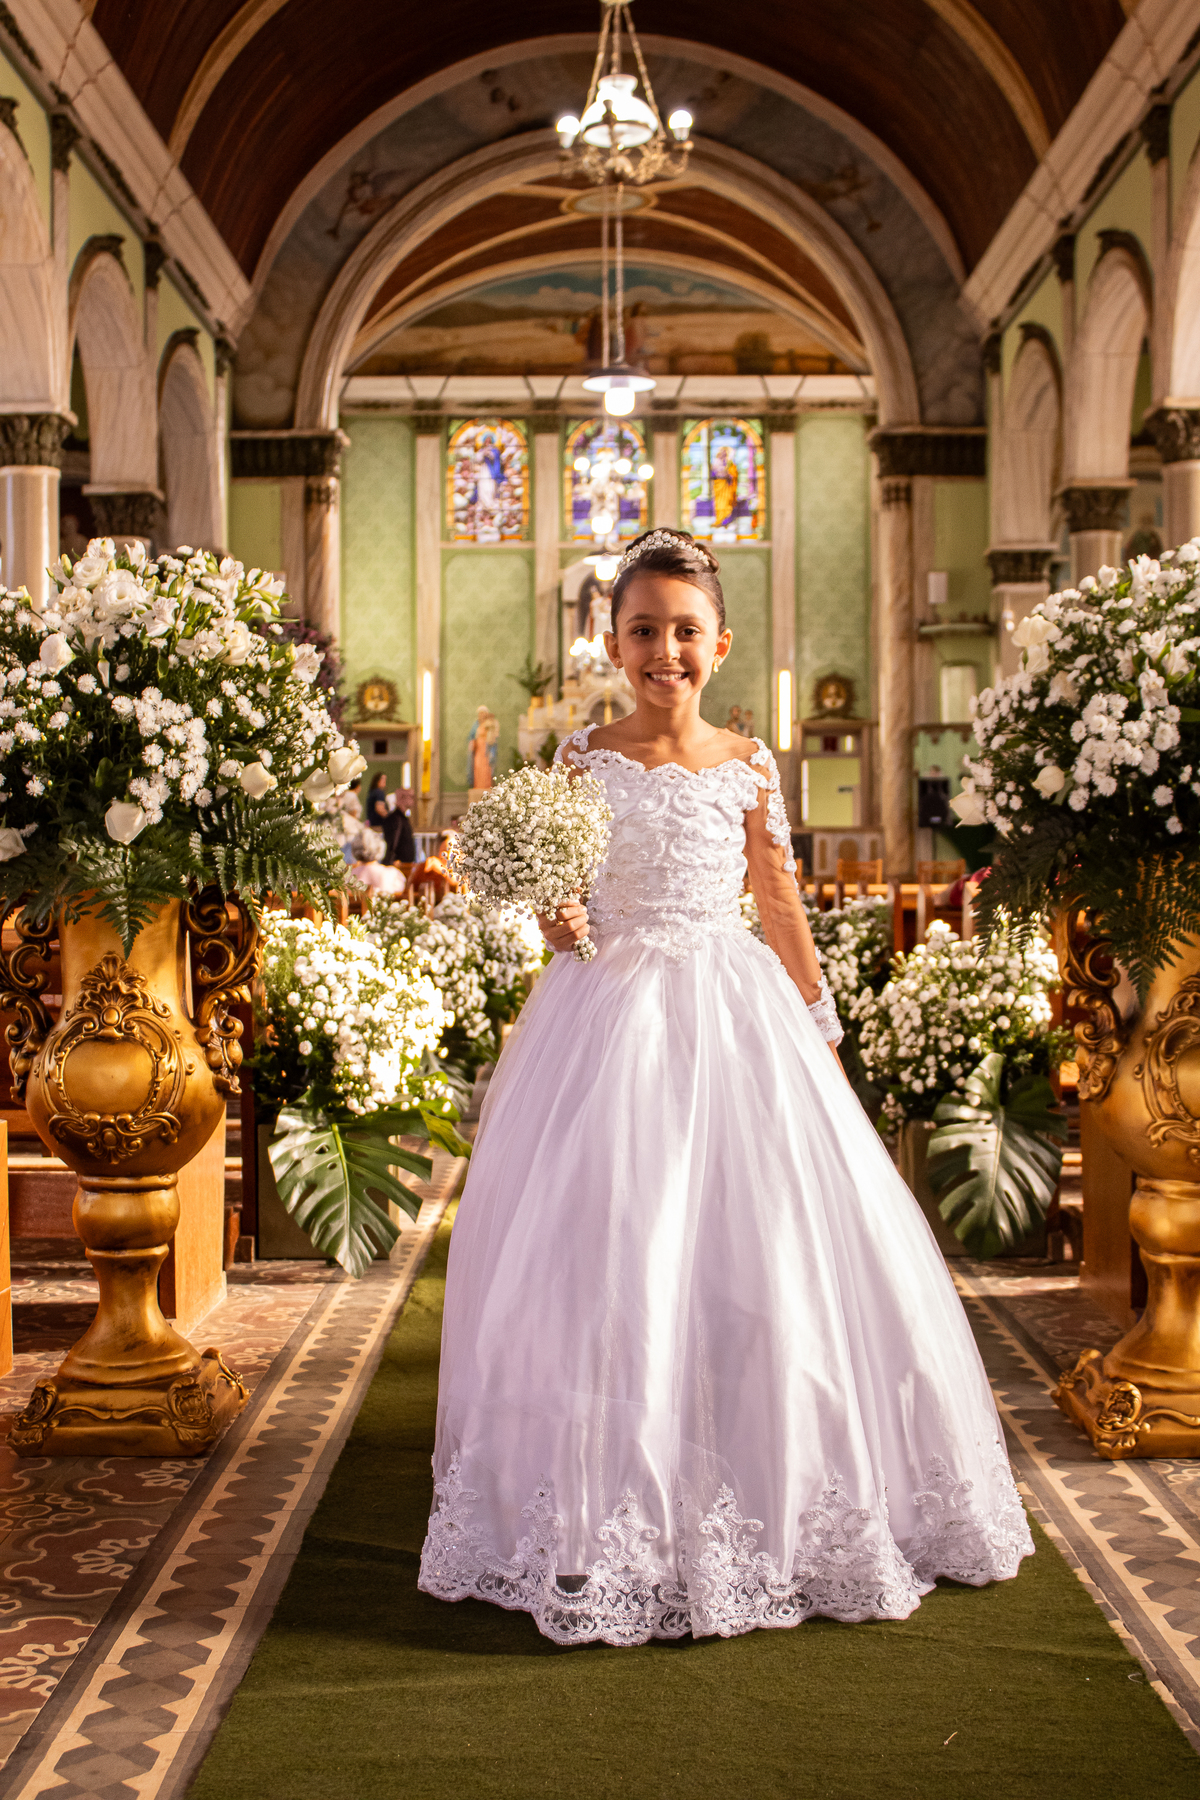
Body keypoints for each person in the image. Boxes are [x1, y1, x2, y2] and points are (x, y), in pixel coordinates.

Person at [420, 527, 1032, 1648]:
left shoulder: (751, 763)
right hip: (608, 1018)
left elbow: (781, 902)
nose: (665, 652)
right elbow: (565, 900)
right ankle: (606, 1499)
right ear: (611, 641)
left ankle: (769, 1483)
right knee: (613, 1249)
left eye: (684, 632)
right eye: (644, 631)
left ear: (722, 644)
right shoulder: (581, 760)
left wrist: (818, 1024)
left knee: (771, 1246)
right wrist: (557, 917)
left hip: (736, 1011)